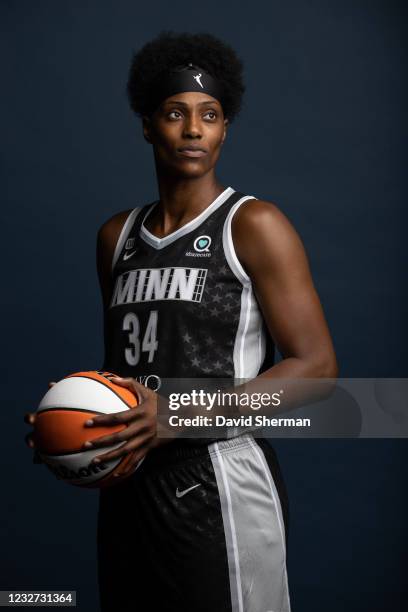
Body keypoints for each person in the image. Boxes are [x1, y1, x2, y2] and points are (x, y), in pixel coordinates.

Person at [25, 31, 338, 612]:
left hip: (220, 475)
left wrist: (174, 413)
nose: (193, 130)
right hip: (128, 479)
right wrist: (72, 414)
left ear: (224, 129)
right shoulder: (116, 237)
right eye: (175, 114)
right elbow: (129, 371)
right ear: (148, 124)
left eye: (210, 116)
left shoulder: (253, 224)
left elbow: (318, 370)